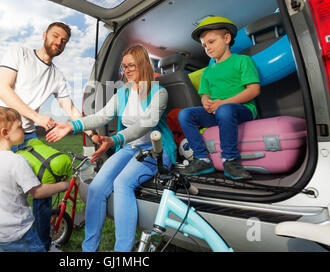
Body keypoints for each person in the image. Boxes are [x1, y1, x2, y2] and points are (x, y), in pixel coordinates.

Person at [0, 22, 90, 252]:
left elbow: (69, 107)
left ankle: (44, 244)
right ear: (44, 35)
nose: (58, 42)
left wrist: (88, 129)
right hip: (0, 132)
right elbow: (2, 88)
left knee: (43, 186)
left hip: (26, 134)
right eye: (55, 36)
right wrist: (37, 117)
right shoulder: (19, 53)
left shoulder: (58, 76)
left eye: (64, 41)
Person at [46, 44, 177, 252]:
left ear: (143, 64)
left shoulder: (160, 93)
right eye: (124, 66)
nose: (127, 70)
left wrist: (114, 140)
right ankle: (89, 249)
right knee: (97, 188)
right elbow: (102, 116)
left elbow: (145, 125)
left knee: (123, 183)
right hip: (129, 148)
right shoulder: (123, 93)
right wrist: (72, 125)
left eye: (131, 65)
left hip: (154, 149)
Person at [178, 16, 260, 180]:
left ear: (227, 38)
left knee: (225, 109)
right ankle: (202, 159)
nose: (207, 47)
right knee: (184, 114)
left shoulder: (242, 60)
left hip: (241, 109)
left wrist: (223, 103)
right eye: (204, 45)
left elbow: (253, 90)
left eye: (211, 41)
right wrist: (206, 103)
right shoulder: (207, 71)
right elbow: (205, 95)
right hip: (217, 111)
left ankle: (230, 161)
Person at [0, 106, 69, 252]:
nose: (24, 131)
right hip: (16, 233)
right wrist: (64, 185)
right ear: (5, 133)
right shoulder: (17, 161)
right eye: (20, 127)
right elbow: (37, 192)